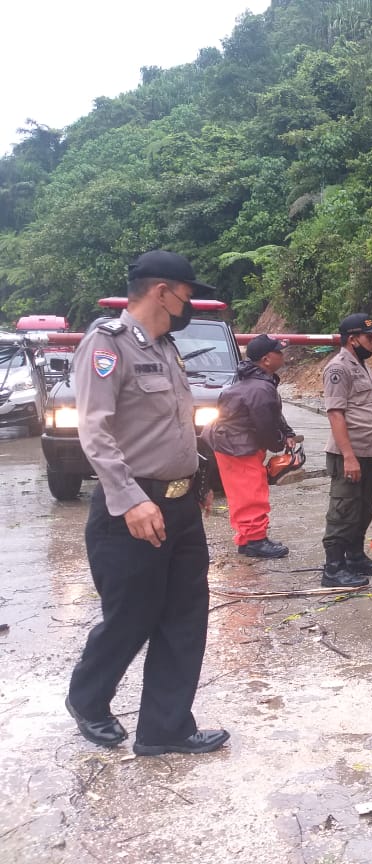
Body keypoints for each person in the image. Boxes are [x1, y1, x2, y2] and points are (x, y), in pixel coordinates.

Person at [65, 250, 229, 756]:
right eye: (187, 294)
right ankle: (88, 699)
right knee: (132, 616)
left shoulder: (167, 349)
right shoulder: (107, 345)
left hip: (178, 508)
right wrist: (129, 499)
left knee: (186, 616)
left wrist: (196, 480)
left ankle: (165, 728)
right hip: (133, 510)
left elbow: (175, 428)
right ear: (163, 291)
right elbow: (94, 430)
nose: (190, 303)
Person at [202, 334, 297, 559]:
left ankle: (248, 538)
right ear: (266, 359)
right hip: (237, 445)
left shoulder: (256, 382)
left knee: (243, 491)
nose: (283, 356)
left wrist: (287, 433)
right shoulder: (260, 388)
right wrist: (277, 444)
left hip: (232, 442)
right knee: (251, 491)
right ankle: (255, 540)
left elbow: (273, 414)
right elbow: (265, 424)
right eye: (279, 352)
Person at [321, 313, 372, 588]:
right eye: (369, 337)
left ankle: (355, 558)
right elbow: (336, 414)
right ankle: (333, 568)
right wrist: (349, 456)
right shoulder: (339, 368)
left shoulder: (361, 366)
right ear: (353, 339)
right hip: (347, 455)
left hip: (366, 452)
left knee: (363, 509)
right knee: (343, 509)